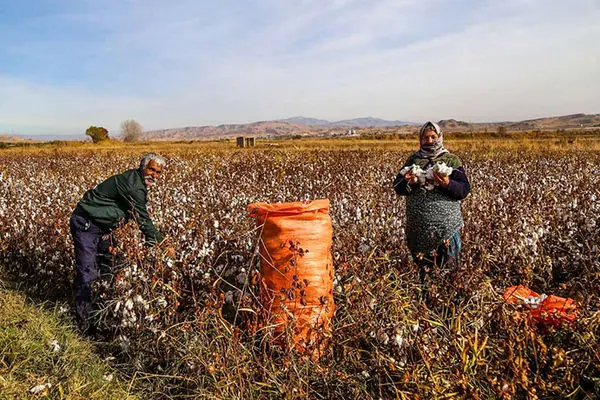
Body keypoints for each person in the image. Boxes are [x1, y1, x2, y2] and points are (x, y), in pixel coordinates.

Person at [70, 152, 174, 332]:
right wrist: (162, 244)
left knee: (111, 267)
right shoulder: (133, 185)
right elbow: (142, 218)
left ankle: (103, 314)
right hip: (86, 224)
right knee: (88, 272)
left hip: (103, 227)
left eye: (158, 173)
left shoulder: (137, 181)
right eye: (151, 170)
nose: (154, 176)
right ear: (143, 167)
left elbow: (134, 213)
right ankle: (85, 325)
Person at [394, 121, 470, 285]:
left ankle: (448, 303)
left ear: (440, 137)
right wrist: (409, 182)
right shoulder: (413, 160)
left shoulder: (451, 160)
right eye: (425, 137)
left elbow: (464, 189)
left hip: (446, 228)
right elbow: (398, 188)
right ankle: (425, 303)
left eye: (433, 137)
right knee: (424, 274)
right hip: (418, 229)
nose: (429, 141)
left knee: (449, 275)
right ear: (420, 139)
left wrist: (447, 183)